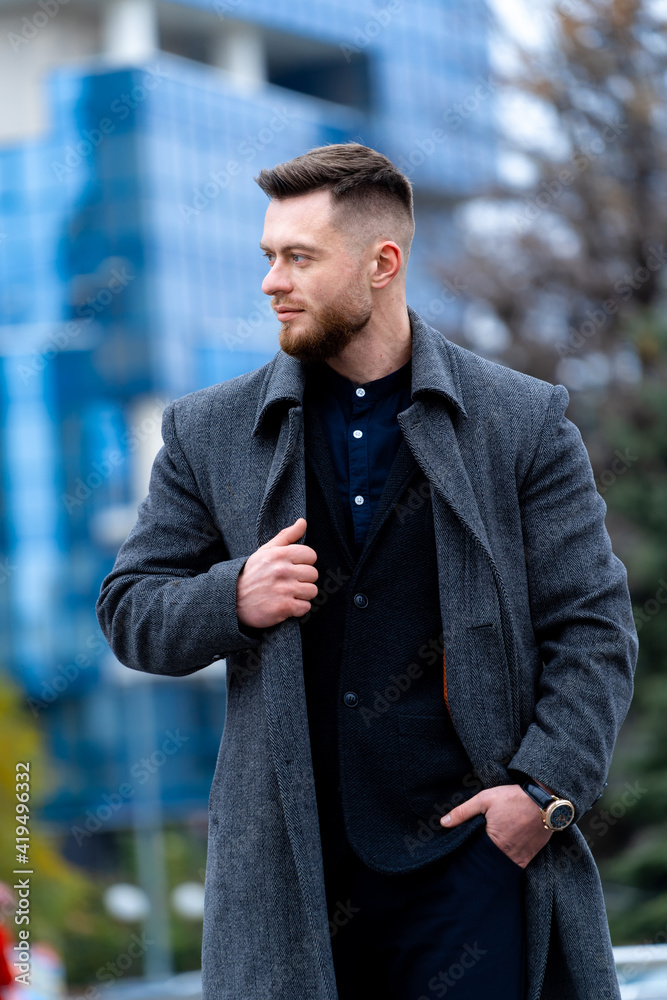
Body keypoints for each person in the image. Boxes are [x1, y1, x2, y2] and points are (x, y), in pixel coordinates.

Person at [96, 142, 638, 1000]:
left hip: (471, 862)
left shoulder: (519, 422)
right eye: (268, 256)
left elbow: (593, 625)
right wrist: (231, 595)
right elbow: (130, 610)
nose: (272, 280)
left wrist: (540, 792)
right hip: (291, 868)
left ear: (382, 263)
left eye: (298, 258)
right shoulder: (208, 432)